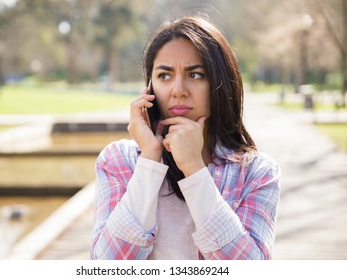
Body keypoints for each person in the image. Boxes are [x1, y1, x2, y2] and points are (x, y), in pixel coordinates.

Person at [90, 15, 281, 260]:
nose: (178, 90)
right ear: (149, 88)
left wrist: (194, 168)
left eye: (195, 75)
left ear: (220, 83)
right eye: (165, 76)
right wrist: (149, 160)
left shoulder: (256, 172)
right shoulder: (117, 161)